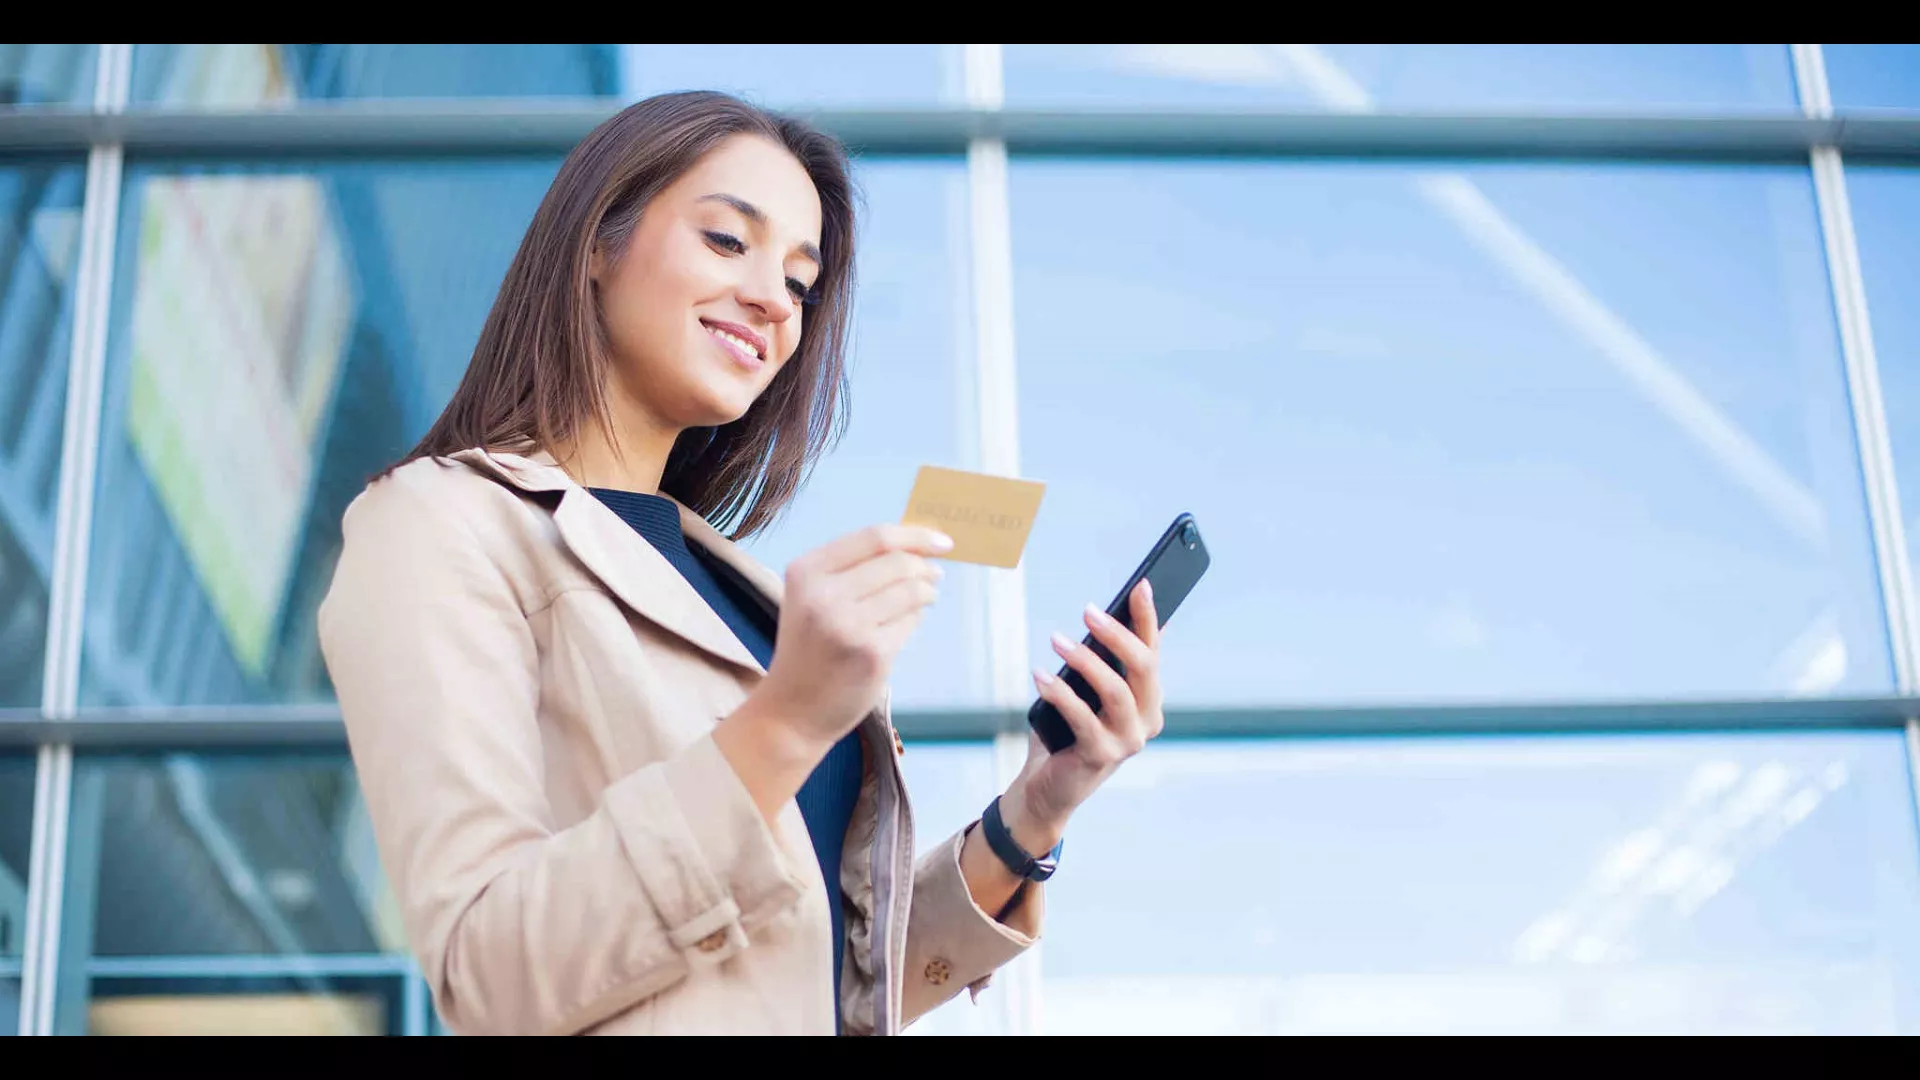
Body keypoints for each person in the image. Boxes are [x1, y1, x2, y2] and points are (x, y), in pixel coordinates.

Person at [317, 90, 1168, 1037]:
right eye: (729, 242)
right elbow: (492, 976)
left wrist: (1034, 814)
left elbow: (806, 987)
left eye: (801, 283)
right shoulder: (437, 523)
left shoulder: (729, 588)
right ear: (598, 243)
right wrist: (788, 719)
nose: (773, 299)